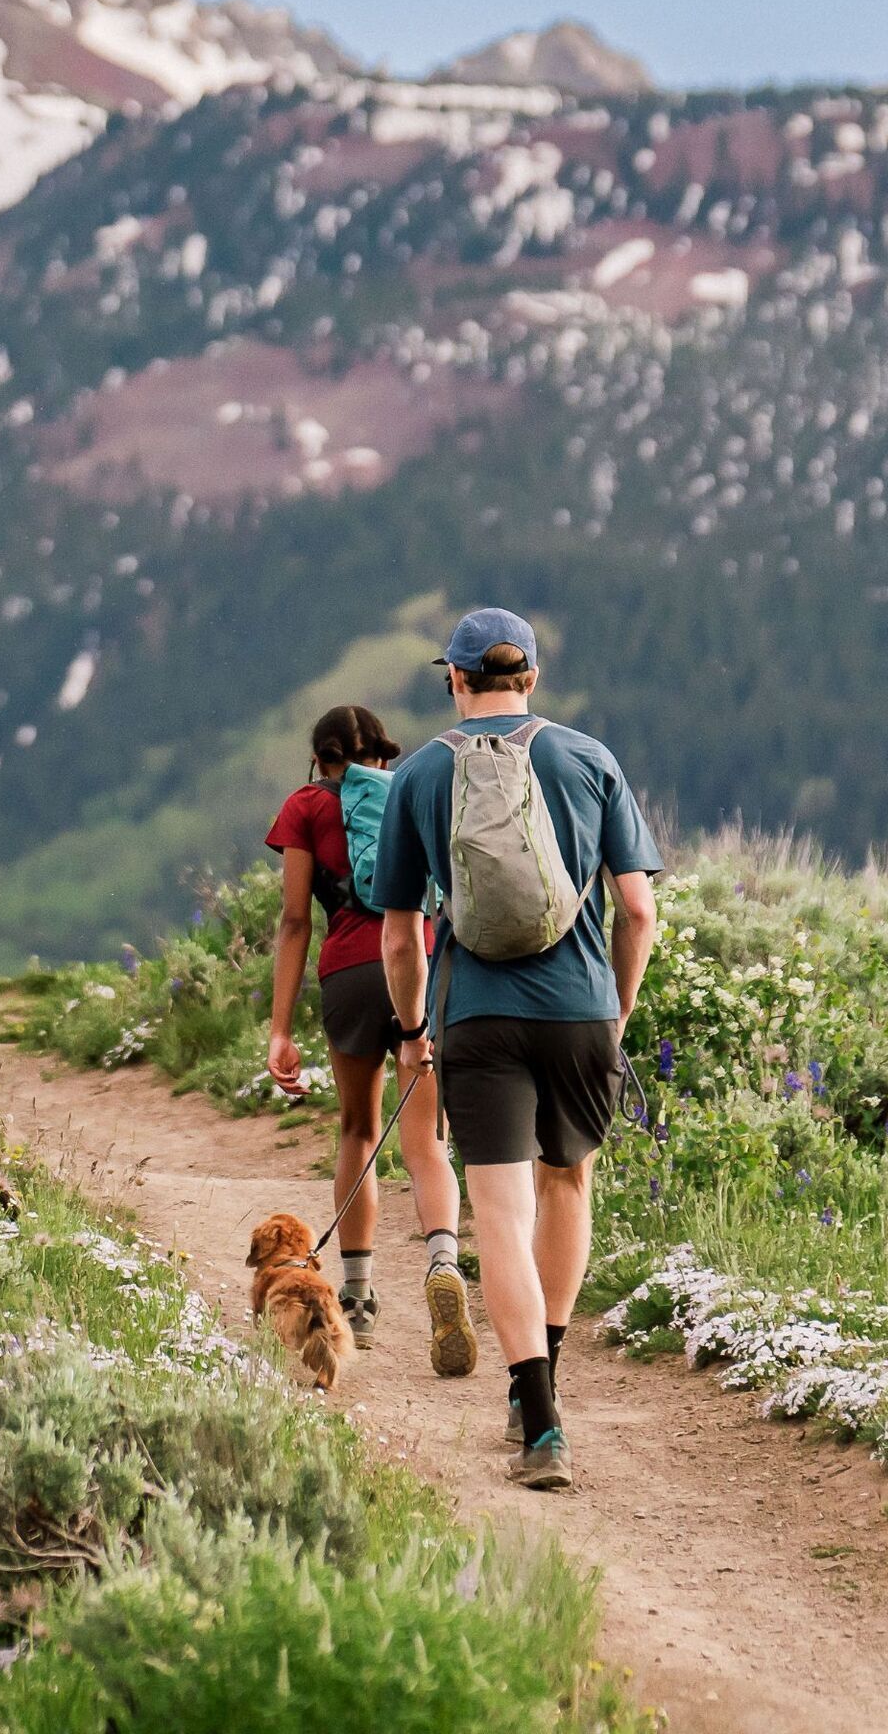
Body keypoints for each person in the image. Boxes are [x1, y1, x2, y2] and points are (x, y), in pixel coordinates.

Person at [368, 608, 660, 1492]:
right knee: (566, 1183)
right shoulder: (590, 759)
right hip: (580, 1011)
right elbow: (638, 909)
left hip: (478, 1019)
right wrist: (614, 1014)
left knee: (498, 1210)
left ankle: (539, 1424)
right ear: (530, 676)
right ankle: (549, 1370)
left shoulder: (419, 774)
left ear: (455, 680)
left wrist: (412, 1032)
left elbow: (399, 935)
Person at [262, 703, 474, 1374]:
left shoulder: (305, 807)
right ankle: (444, 1262)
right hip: (423, 962)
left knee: (358, 1130)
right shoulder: (416, 793)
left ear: (318, 759)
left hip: (350, 972)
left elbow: (295, 921)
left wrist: (280, 1029)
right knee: (427, 1140)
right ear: (384, 754)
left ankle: (356, 1298)